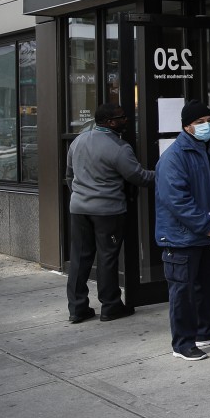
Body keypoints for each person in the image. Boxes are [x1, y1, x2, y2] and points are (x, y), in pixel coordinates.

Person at [155, 100, 210, 361]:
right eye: (199, 122)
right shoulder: (174, 157)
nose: (206, 126)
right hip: (183, 238)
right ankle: (182, 343)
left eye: (208, 120)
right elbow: (177, 200)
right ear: (186, 126)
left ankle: (206, 329)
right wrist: (206, 226)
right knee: (183, 292)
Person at [64, 103, 154, 323]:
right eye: (122, 117)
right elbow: (138, 177)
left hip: (78, 209)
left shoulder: (78, 141)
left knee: (79, 259)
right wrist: (167, 172)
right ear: (110, 122)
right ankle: (111, 306)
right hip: (108, 212)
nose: (127, 120)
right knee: (107, 258)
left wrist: (80, 195)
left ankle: (77, 309)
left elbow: (69, 175)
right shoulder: (119, 147)